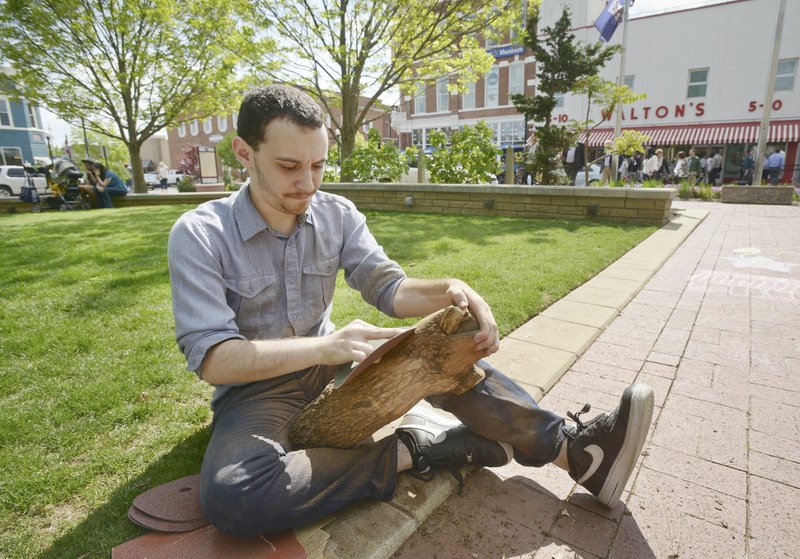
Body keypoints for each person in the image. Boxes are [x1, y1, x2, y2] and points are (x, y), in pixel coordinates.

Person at [167, 85, 654, 538]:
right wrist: (325, 345)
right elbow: (213, 359)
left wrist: (451, 290)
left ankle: (579, 453)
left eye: (317, 166)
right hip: (256, 396)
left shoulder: (337, 214)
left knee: (443, 346)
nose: (308, 183)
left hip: (333, 371)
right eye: (290, 166)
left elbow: (389, 288)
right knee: (235, 497)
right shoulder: (200, 234)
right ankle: (421, 450)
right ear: (243, 153)